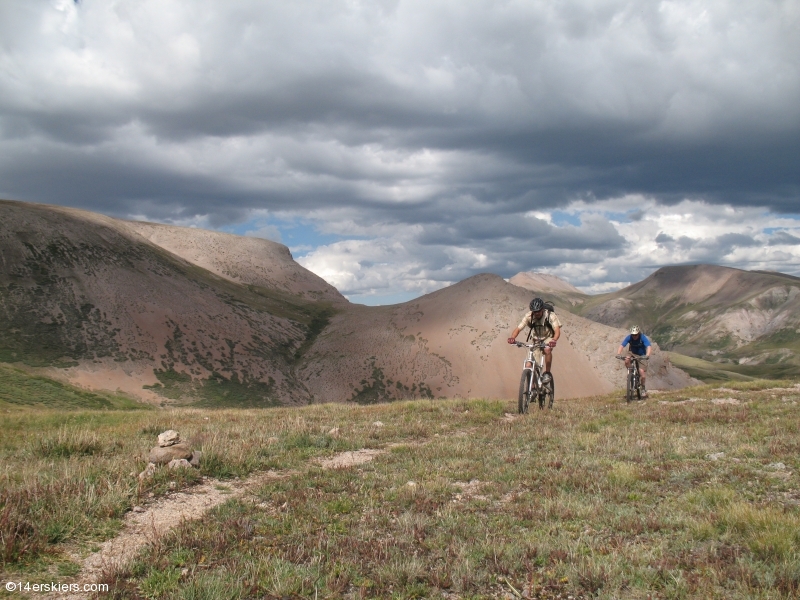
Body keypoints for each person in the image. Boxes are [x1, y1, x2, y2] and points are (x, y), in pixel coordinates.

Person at [507, 297, 562, 380]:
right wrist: (512, 338)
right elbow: (518, 328)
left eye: (538, 311)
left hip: (548, 338)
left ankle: (547, 373)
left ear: (542, 309)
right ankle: (531, 388)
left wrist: (554, 340)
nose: (536, 313)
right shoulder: (529, 316)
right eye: (534, 312)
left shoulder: (550, 315)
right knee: (528, 365)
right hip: (536, 340)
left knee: (547, 349)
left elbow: (557, 330)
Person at [616, 325, 652, 397]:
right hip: (632, 352)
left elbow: (649, 346)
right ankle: (631, 372)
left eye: (635, 335)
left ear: (638, 333)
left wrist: (647, 355)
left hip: (641, 355)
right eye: (633, 335)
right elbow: (622, 345)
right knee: (626, 360)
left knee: (642, 373)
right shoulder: (629, 337)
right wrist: (618, 353)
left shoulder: (643, 337)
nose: (634, 336)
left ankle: (643, 389)